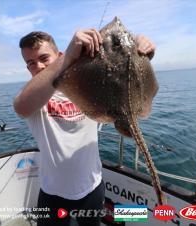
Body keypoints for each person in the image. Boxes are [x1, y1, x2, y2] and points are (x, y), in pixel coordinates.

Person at [13, 28, 156, 226]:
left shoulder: (86, 85)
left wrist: (139, 52)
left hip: (91, 187)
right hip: (52, 192)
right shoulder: (34, 97)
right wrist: (68, 58)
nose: (38, 66)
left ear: (59, 55)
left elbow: (120, 74)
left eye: (44, 58)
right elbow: (21, 106)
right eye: (30, 63)